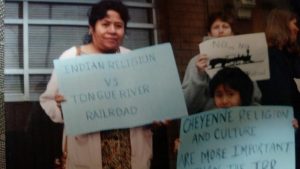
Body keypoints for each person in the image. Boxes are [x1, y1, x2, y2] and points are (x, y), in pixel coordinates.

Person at [39, 1, 152, 169]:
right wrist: (63, 109)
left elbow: (146, 101)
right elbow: (47, 100)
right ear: (91, 27)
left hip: (132, 156)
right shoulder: (72, 58)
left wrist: (154, 114)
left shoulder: (132, 59)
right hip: (87, 154)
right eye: (105, 24)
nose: (112, 31)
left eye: (119, 25)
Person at [182, 11, 262, 115]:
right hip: (208, 123)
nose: (221, 31)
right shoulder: (196, 62)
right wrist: (199, 76)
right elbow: (188, 105)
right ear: (209, 33)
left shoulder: (243, 59)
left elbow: (255, 98)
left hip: (241, 122)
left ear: (232, 33)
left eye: (225, 26)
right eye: (216, 27)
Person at [257, 8, 300, 169]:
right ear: (283, 25)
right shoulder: (272, 57)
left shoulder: (284, 56)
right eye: (294, 24)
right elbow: (279, 94)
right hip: (286, 128)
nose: (297, 28)